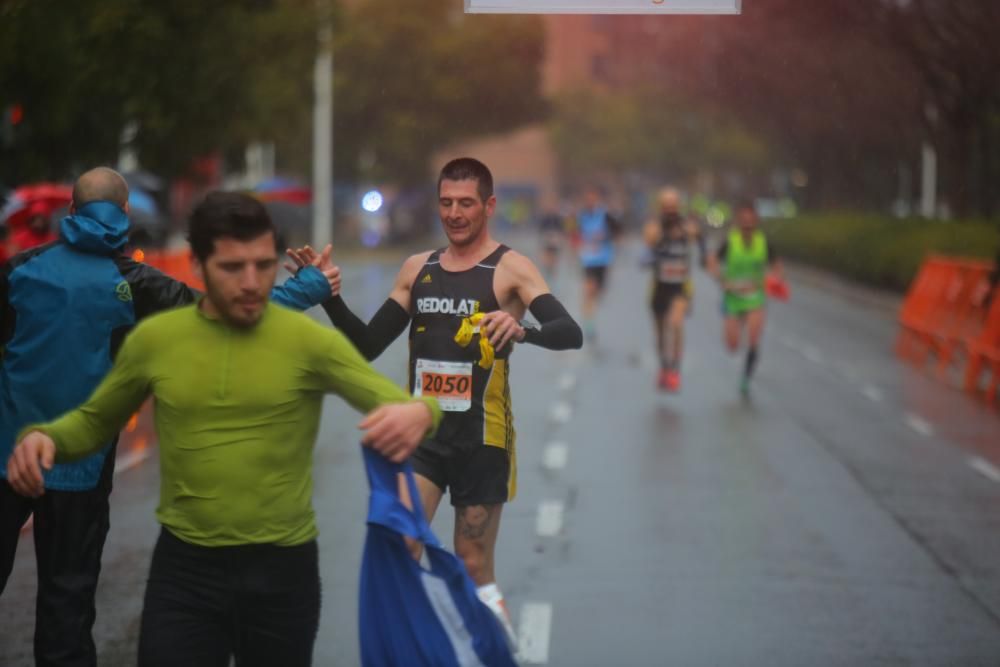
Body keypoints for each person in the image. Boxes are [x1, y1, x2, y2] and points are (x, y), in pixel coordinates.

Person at [6, 190, 440, 667]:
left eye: (262, 265)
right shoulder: (157, 333)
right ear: (198, 264)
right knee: (73, 603)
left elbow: (399, 400)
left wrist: (419, 412)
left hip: (283, 572)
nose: (251, 283)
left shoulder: (306, 342)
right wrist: (46, 438)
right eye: (233, 268)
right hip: (184, 572)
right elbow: (93, 421)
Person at [315, 157, 582, 645]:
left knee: (474, 564)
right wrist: (331, 297)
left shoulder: (511, 269)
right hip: (426, 437)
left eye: (466, 203)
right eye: (446, 203)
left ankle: (495, 653)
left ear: (489, 206)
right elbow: (368, 345)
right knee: (404, 544)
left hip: (483, 438)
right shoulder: (419, 268)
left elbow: (570, 332)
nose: (455, 213)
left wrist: (522, 330)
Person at [707, 200, 784, 395]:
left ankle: (746, 378)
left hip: (755, 297)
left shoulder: (763, 242)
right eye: (744, 221)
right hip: (732, 298)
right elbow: (712, 261)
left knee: (753, 337)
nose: (748, 225)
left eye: (751, 221)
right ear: (739, 222)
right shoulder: (730, 241)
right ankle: (738, 341)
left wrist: (773, 280)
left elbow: (777, 267)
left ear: (756, 221)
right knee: (732, 346)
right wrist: (722, 279)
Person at [642, 188, 705, 392]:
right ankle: (664, 366)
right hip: (659, 286)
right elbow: (649, 239)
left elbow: (698, 235)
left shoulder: (687, 226)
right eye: (666, 206)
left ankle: (675, 370)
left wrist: (687, 233)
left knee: (676, 322)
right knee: (660, 332)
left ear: (679, 206)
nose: (670, 210)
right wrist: (664, 233)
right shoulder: (655, 225)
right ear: (661, 207)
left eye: (673, 205)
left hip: (680, 285)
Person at [575, 185, 622, 341]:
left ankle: (591, 312)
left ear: (597, 199)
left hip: (604, 259)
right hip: (588, 260)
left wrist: (605, 236)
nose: (590, 201)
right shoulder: (581, 215)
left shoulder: (606, 215)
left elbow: (619, 231)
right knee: (588, 292)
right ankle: (589, 326)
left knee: (598, 293)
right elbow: (576, 234)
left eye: (592, 198)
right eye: (587, 198)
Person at [537, 202, 565, 283]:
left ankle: (552, 268)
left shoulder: (557, 218)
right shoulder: (545, 218)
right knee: (547, 255)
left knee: (553, 255)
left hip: (555, 240)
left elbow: (561, 229)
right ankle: (548, 267)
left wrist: (559, 238)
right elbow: (541, 230)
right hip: (547, 239)